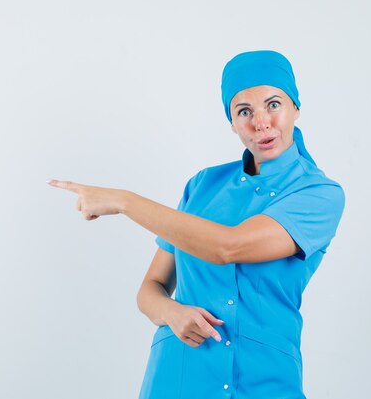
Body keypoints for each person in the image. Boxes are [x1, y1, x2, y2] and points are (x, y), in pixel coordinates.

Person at [47, 50, 345, 399]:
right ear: (231, 123)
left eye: (273, 104)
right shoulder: (203, 186)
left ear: (296, 107)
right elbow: (151, 288)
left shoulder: (318, 194)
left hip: (264, 380)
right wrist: (171, 312)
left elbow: (228, 246)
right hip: (179, 376)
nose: (261, 122)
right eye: (244, 111)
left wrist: (124, 201)